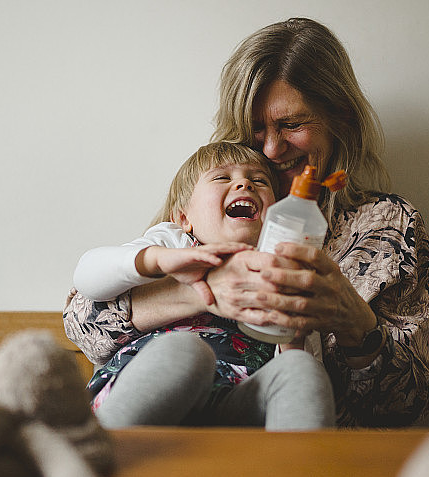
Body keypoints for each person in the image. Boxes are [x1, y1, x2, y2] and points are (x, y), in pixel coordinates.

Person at [64, 18, 429, 427]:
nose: (272, 150)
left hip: (267, 432)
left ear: (340, 118)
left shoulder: (385, 225)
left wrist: (353, 324)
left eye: (291, 124)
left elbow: (408, 407)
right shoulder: (199, 212)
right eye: (256, 129)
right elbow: (83, 320)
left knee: (300, 373)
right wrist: (207, 289)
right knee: (184, 355)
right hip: (163, 430)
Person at [69, 141, 335, 430]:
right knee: (187, 350)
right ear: (184, 218)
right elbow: (86, 276)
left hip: (232, 408)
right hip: (147, 395)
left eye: (259, 181)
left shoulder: (284, 274)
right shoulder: (174, 244)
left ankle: (298, 471)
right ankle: (98, 451)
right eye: (223, 177)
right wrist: (156, 261)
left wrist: (291, 337)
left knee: (301, 369)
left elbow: (308, 381)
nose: (245, 183)